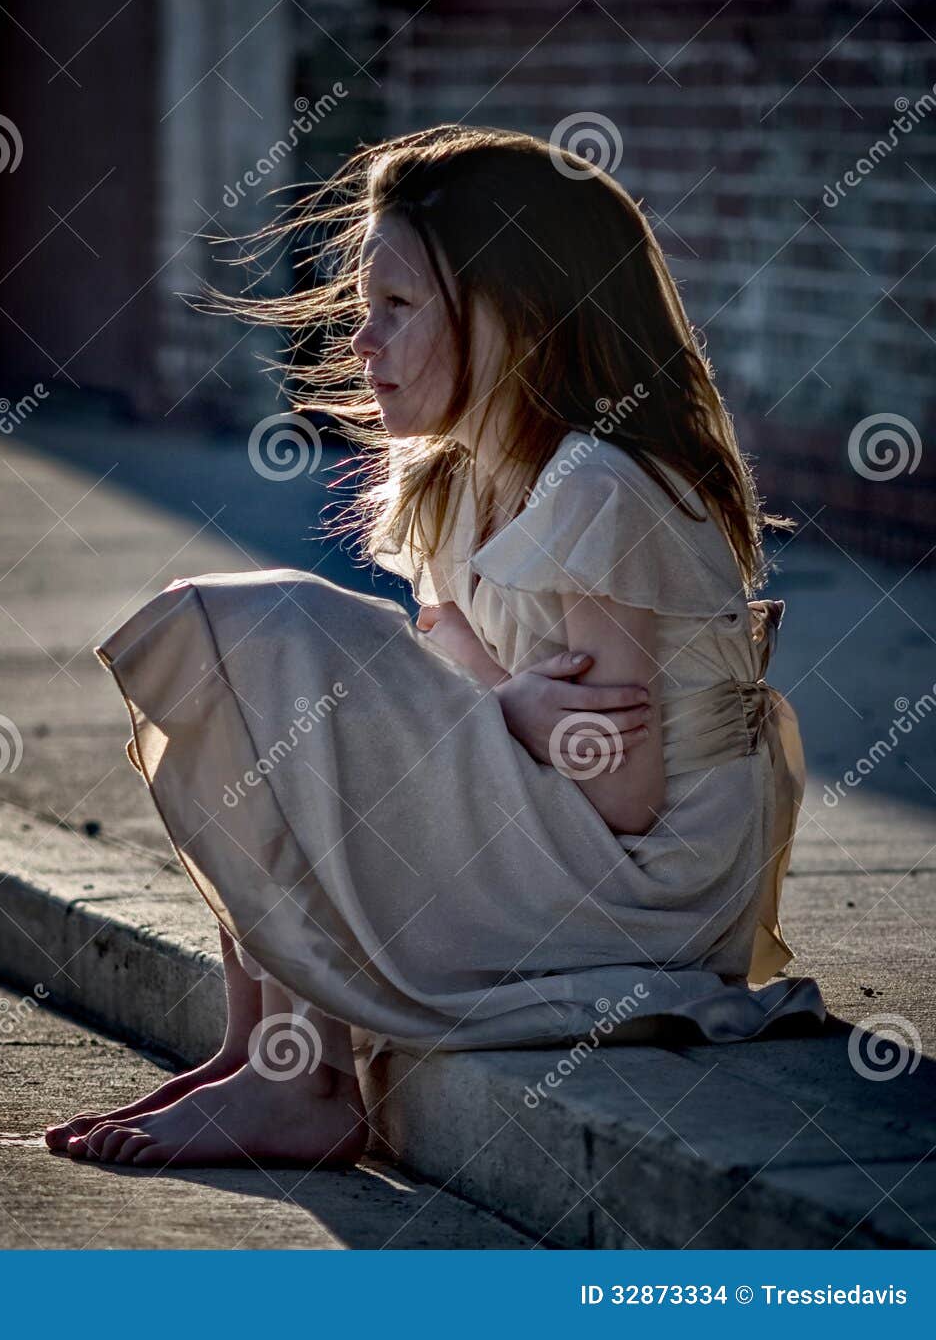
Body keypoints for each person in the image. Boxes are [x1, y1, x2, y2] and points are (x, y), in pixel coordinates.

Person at [45, 123, 824, 1169]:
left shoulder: (598, 486)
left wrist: (491, 714)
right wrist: (496, 709)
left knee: (281, 633)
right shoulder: (448, 483)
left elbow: (625, 793)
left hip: (645, 885)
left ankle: (300, 1085)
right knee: (269, 678)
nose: (361, 340)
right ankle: (262, 1051)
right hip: (561, 845)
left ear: (518, 317)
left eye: (398, 307)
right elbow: (459, 691)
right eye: (361, 308)